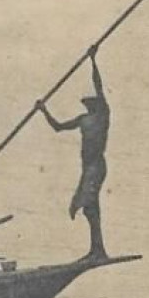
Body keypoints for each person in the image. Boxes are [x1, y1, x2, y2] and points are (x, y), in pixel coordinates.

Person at [37, 49, 111, 260]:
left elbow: (99, 85)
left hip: (96, 166)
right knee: (89, 207)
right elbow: (58, 127)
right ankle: (97, 250)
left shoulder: (103, 115)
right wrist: (44, 110)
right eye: (86, 103)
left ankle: (98, 250)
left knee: (88, 205)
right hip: (88, 168)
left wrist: (93, 60)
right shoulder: (83, 120)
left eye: (90, 102)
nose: (88, 105)